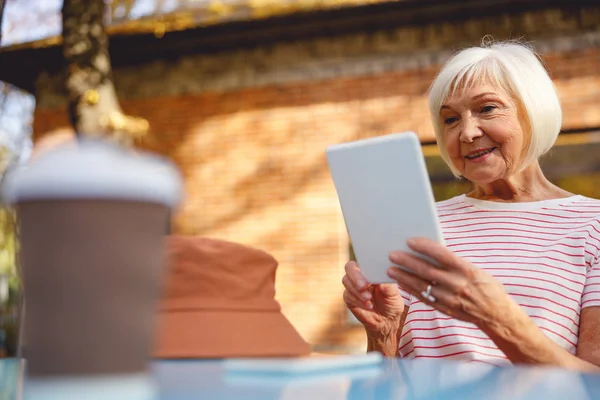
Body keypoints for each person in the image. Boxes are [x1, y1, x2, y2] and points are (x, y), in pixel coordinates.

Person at [342, 39, 600, 372]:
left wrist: (497, 317)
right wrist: (383, 335)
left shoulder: (593, 223)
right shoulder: (419, 224)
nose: (466, 132)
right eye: (450, 120)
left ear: (534, 111)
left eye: (487, 109)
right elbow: (386, 380)